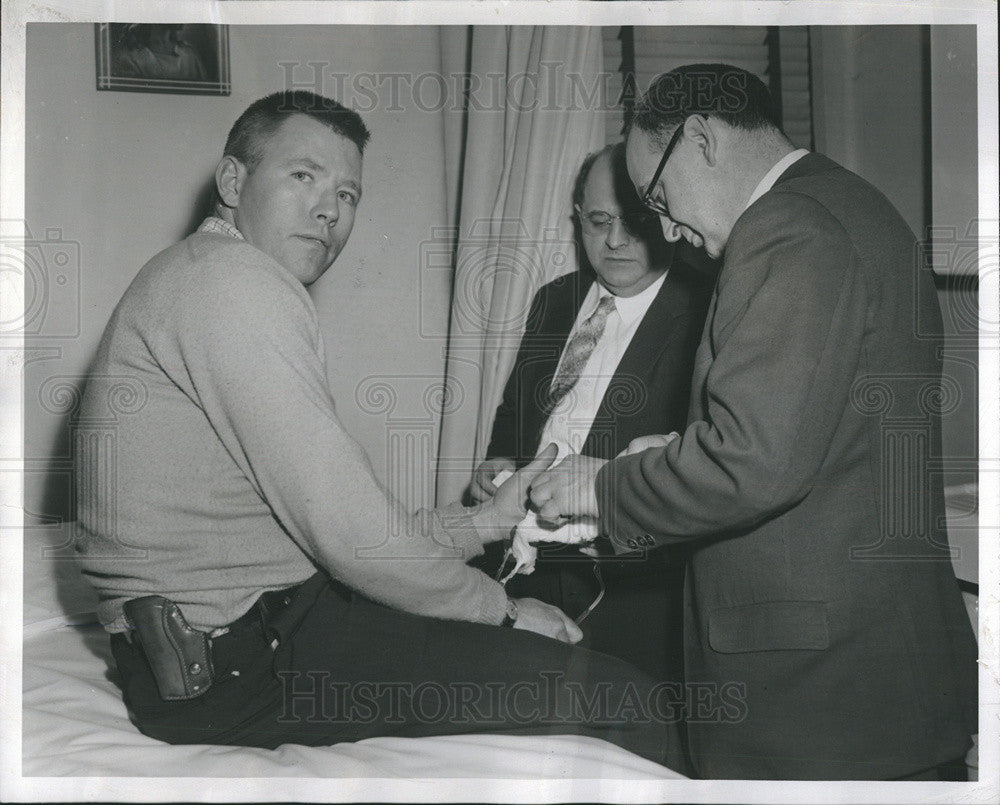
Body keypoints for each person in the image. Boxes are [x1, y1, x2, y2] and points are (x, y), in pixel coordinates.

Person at [73, 91, 683, 769]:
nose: (329, 209)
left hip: (234, 645)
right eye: (302, 176)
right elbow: (352, 540)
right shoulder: (235, 287)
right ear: (233, 181)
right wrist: (504, 611)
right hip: (250, 665)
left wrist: (481, 524)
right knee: (625, 698)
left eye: (348, 193)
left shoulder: (195, 273)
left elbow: (330, 529)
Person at [528, 64, 978, 780]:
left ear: (700, 140)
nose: (668, 230)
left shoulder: (784, 227)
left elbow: (753, 461)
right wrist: (682, 449)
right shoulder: (857, 207)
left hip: (813, 693)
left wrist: (604, 485)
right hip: (875, 672)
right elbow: (826, 436)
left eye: (659, 198)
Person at [468, 142, 714, 681]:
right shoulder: (557, 299)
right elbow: (516, 412)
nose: (617, 240)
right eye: (600, 221)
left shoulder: (705, 311)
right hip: (529, 564)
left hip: (630, 582)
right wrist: (498, 462)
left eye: (637, 222)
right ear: (578, 218)